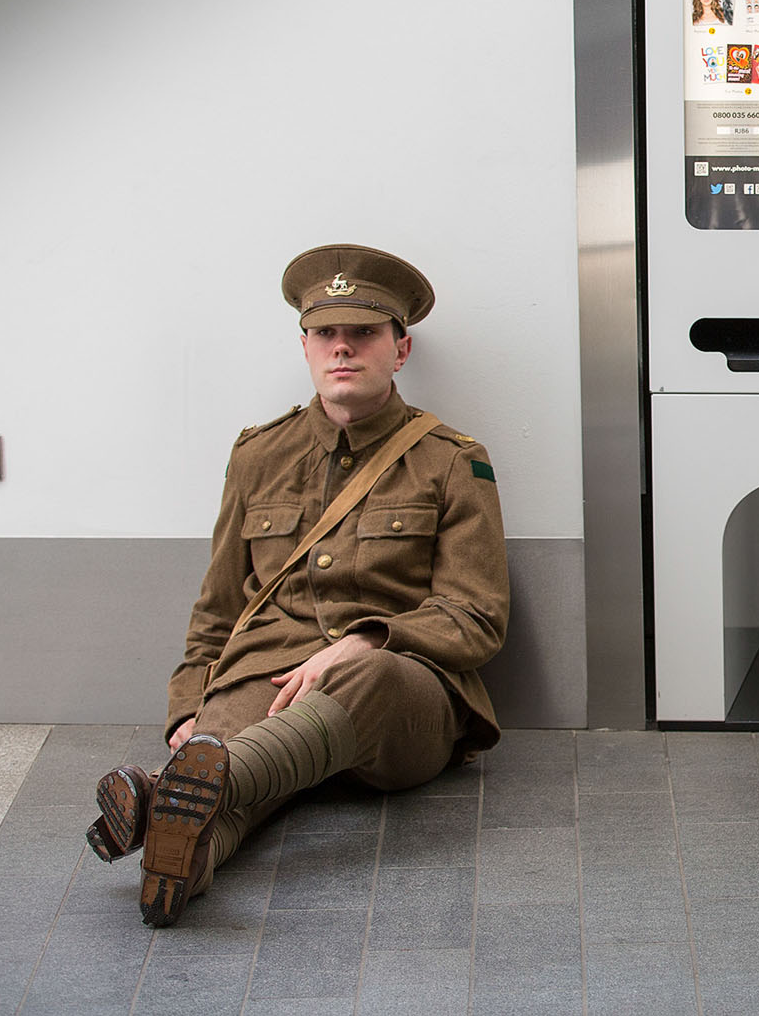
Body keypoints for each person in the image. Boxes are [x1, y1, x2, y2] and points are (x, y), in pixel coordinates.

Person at [84, 245, 509, 926]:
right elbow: (219, 601)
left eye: (364, 334)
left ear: (400, 349)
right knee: (216, 761)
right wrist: (191, 701)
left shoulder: (453, 462)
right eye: (326, 335)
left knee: (357, 683)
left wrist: (366, 640)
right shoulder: (259, 454)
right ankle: (182, 861)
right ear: (306, 348)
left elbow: (476, 616)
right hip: (267, 674)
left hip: (400, 694)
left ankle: (172, 792)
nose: (343, 349)